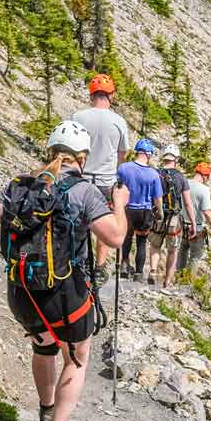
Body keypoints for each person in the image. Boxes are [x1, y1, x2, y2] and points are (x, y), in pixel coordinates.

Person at [0, 121, 129, 421]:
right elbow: (114, 238)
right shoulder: (83, 191)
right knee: (76, 357)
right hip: (64, 293)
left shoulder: (19, 184)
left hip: (21, 291)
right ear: (81, 158)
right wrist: (119, 204)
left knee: (43, 347)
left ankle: (45, 414)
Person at [71, 74, 130, 280]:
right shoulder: (119, 121)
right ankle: (100, 265)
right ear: (111, 94)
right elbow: (123, 154)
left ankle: (77, 258)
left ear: (91, 94)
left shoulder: (77, 117)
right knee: (102, 218)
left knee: (77, 220)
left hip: (81, 177)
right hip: (105, 180)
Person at [147, 145, 196, 287]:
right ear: (176, 159)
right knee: (172, 250)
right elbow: (187, 203)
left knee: (155, 245)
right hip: (174, 218)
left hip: (158, 214)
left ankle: (153, 270)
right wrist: (192, 222)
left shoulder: (156, 173)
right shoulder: (181, 177)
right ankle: (167, 280)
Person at [117, 138, 163, 281]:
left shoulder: (123, 168)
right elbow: (157, 197)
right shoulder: (154, 174)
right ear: (149, 154)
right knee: (142, 241)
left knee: (127, 237)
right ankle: (138, 273)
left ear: (137, 152)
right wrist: (160, 211)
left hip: (127, 208)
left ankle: (124, 264)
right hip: (145, 211)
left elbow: (116, 187)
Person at [179, 162, 211, 274]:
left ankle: (177, 278)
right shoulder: (204, 189)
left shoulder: (184, 183)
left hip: (180, 226)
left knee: (181, 252)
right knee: (195, 257)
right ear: (205, 176)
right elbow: (207, 213)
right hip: (197, 228)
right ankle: (188, 282)